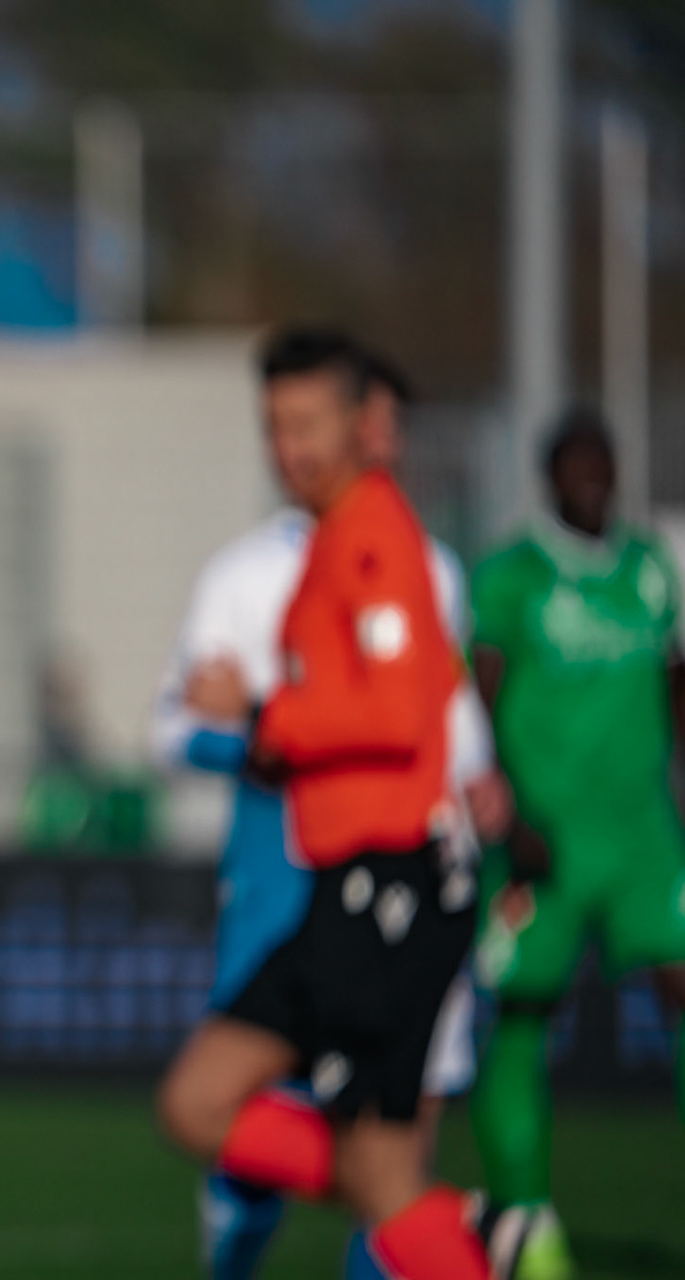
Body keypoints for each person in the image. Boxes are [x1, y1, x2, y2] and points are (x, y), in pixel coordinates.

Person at [151, 330, 511, 1280]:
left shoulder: (379, 541)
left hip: (397, 888)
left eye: (308, 424)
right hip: (339, 892)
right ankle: (459, 1227)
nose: (290, 446)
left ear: (364, 426)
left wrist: (264, 712)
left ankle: (448, 1236)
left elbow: (395, 713)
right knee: (200, 1103)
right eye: (275, 426)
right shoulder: (326, 545)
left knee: (370, 1166)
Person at [468, 409, 685, 1280]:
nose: (593, 482)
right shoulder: (512, 578)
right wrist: (508, 815)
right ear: (550, 478)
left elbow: (675, 685)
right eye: (576, 469)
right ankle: (527, 1220)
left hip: (643, 838)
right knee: (524, 1015)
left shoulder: (651, 569)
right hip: (544, 841)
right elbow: (475, 699)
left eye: (604, 467)